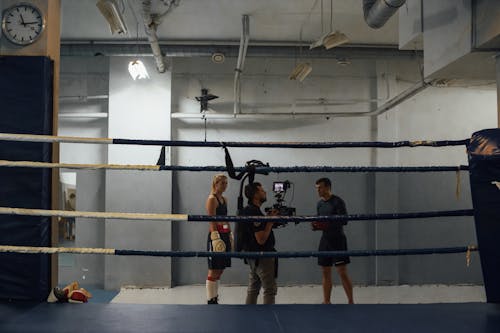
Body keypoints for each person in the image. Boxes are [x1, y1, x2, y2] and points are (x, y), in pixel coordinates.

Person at [312, 177, 354, 304]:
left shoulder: (338, 202)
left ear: (327, 187)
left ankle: (351, 301)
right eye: (317, 188)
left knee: (342, 271)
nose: (318, 190)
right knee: (325, 270)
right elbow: (320, 220)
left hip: (338, 239)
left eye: (320, 187)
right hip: (325, 239)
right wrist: (316, 226)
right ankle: (326, 301)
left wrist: (326, 224)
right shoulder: (320, 204)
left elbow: (344, 220)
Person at [239, 182, 277, 304]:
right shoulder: (254, 212)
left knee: (253, 289)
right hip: (262, 255)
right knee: (269, 290)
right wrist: (270, 222)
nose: (265, 192)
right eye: (261, 190)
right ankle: (269, 318)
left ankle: (249, 318)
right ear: (255, 194)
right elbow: (261, 239)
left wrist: (266, 220)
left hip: (252, 256)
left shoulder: (249, 210)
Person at [205, 174, 232, 304]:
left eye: (226, 183)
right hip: (216, 235)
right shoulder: (212, 199)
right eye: (222, 183)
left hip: (225, 234)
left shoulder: (224, 199)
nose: (225, 186)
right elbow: (211, 220)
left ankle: (215, 296)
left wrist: (230, 234)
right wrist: (215, 238)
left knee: (221, 268)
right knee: (214, 268)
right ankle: (211, 299)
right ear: (216, 184)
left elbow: (226, 218)